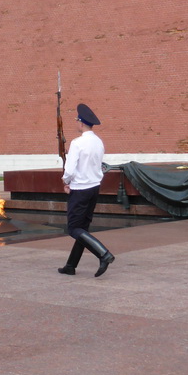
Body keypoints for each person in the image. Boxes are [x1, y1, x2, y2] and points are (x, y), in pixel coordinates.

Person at [58, 103, 115, 277]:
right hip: (94, 187)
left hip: (80, 188)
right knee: (82, 229)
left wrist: (66, 181)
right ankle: (71, 265)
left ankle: (103, 254)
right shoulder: (98, 142)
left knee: (74, 229)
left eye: (76, 120)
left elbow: (69, 169)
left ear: (81, 123)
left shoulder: (77, 143)